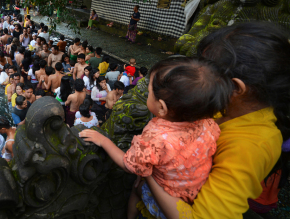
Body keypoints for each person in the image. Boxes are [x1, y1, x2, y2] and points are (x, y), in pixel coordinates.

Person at [142, 22, 290, 219]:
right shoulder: (227, 106)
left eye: (206, 73)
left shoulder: (249, 147)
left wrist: (150, 172)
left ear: (236, 88)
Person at [80, 57, 232, 219]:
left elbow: (128, 164)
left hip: (165, 200)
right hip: (193, 190)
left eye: (149, 92)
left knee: (136, 189)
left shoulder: (156, 135)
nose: (147, 94)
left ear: (162, 107)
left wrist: (104, 140)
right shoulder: (209, 123)